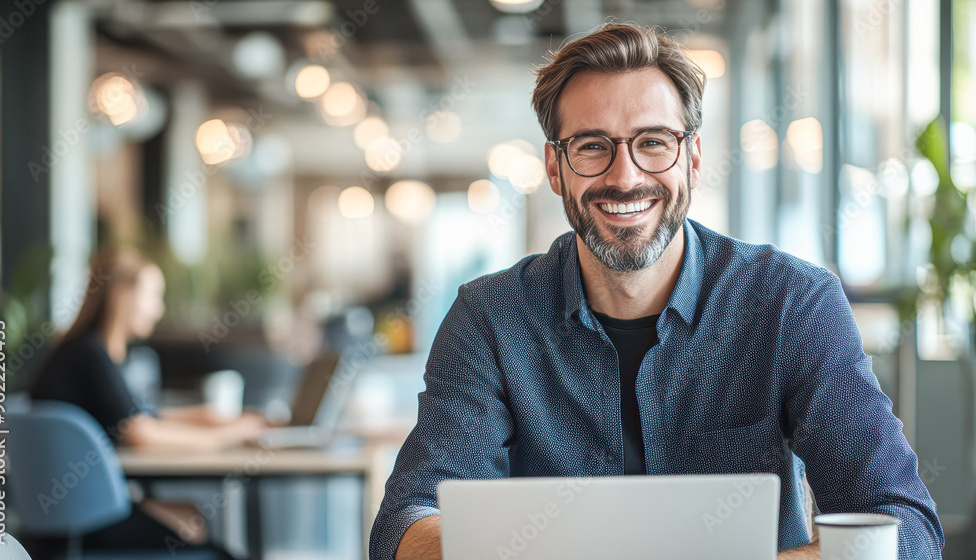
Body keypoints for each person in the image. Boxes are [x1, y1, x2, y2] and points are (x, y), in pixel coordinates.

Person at [370, 22, 944, 560]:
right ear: (555, 166)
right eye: (593, 146)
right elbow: (405, 521)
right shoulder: (491, 317)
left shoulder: (791, 302)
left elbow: (902, 525)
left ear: (692, 157)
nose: (624, 176)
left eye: (653, 142)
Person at [28, 248, 264, 559]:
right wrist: (226, 437)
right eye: (153, 295)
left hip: (63, 520)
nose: (158, 309)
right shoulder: (89, 356)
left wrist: (217, 418)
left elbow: (144, 415)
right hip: (83, 524)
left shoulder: (87, 352)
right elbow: (140, 433)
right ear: (123, 295)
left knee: (192, 519)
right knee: (216, 550)